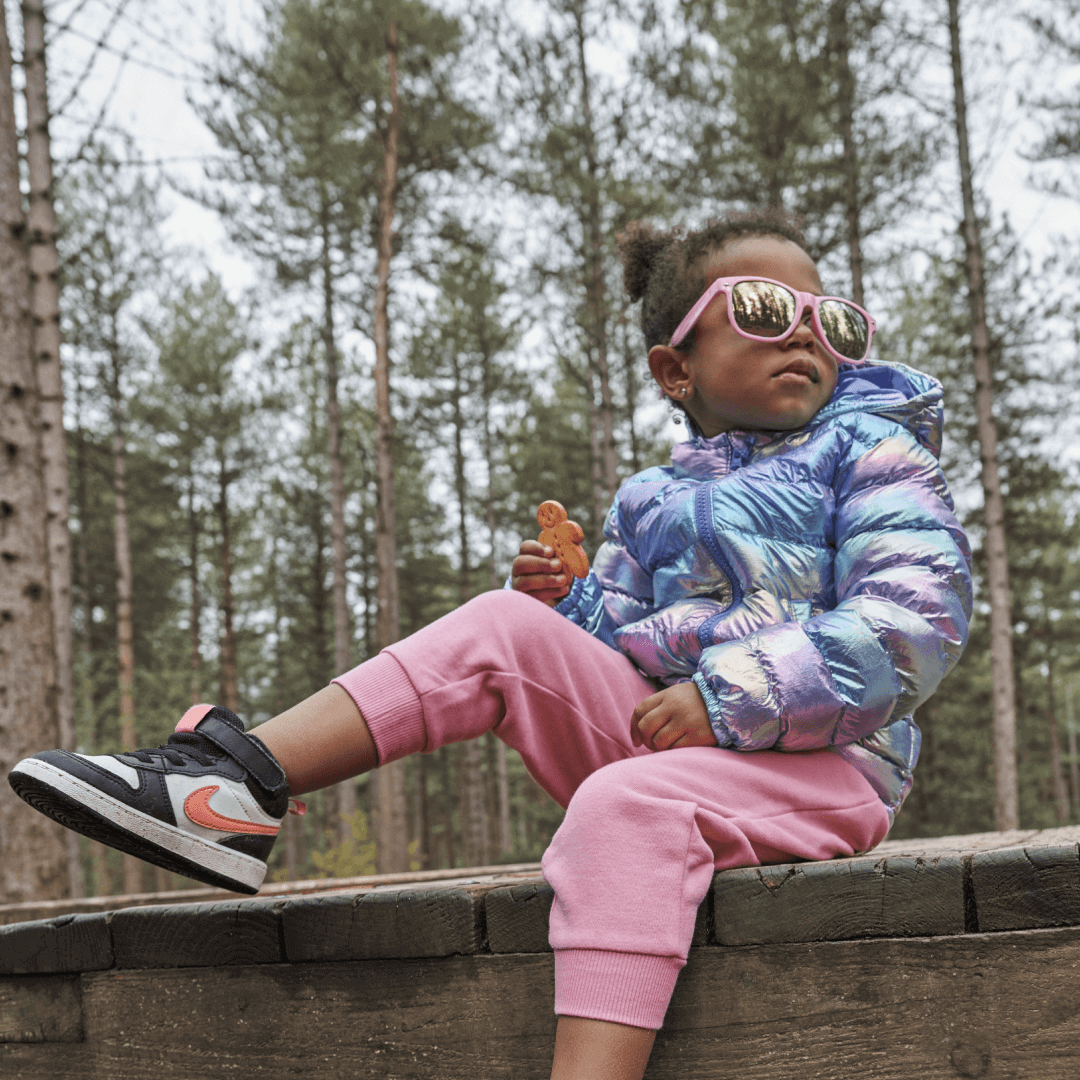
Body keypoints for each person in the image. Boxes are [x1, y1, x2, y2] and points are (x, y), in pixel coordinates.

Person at [9, 212, 972, 1080]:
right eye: (764, 310)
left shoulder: (874, 454)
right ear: (674, 370)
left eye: (831, 320)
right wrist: (569, 607)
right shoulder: (651, 498)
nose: (805, 333)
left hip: (829, 765)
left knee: (623, 805)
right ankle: (234, 787)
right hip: (683, 742)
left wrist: (728, 698)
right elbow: (626, 658)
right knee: (502, 626)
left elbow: (912, 621)